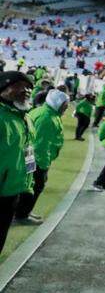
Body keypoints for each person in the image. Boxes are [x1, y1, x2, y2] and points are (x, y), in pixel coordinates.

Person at [0, 71, 34, 293]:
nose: (25, 91)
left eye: (28, 88)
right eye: (19, 87)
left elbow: (25, 154)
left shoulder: (23, 117)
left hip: (11, 192)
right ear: (4, 89)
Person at [15, 89, 68, 224]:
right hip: (36, 159)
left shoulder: (48, 113)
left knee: (31, 186)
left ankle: (24, 212)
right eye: (64, 105)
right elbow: (39, 145)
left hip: (33, 157)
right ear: (57, 103)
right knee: (34, 186)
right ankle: (22, 215)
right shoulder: (46, 117)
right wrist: (42, 164)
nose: (66, 108)